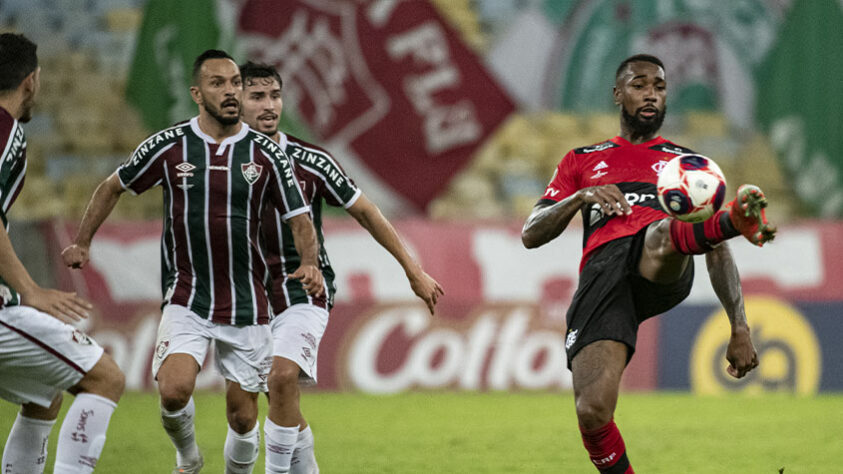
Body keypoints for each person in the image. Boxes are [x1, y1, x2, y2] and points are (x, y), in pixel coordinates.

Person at [61, 50, 324, 474]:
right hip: (188, 294)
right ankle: (188, 457)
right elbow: (113, 186)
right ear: (197, 94)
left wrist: (309, 263)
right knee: (174, 391)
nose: (231, 92)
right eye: (218, 84)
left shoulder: (267, 154)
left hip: (248, 302)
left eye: (235, 83)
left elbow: (300, 219)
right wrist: (82, 242)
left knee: (242, 418)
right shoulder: (169, 146)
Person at [521, 54, 776, 473]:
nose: (652, 94)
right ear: (618, 94)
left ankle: (732, 219)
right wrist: (581, 197)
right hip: (603, 278)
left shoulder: (686, 165)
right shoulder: (581, 159)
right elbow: (531, 233)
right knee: (592, 411)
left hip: (662, 262)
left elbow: (715, 249)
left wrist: (740, 326)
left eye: (659, 86)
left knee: (659, 235)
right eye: (640, 85)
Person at [239, 61, 444, 474]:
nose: (268, 105)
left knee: (280, 380)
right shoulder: (219, 161)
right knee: (246, 411)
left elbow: (366, 212)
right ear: (235, 101)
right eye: (256, 96)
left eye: (274, 96)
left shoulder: (310, 160)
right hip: (242, 294)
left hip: (303, 288)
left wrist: (412, 270)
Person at [0, 32, 125, 474]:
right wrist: (29, 289)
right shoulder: (4, 129)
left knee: (45, 389)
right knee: (105, 378)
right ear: (31, 81)